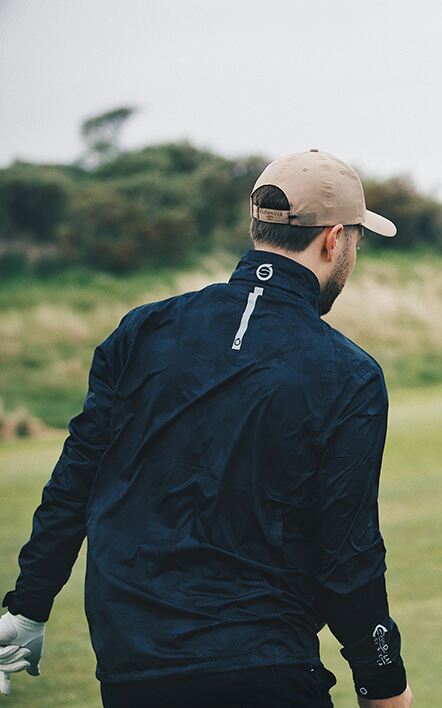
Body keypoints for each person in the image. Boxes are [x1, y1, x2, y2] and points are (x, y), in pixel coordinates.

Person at [0, 149, 413, 707]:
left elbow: (76, 479)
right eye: (356, 242)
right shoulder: (348, 373)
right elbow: (347, 554)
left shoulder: (143, 330)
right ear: (334, 240)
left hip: (131, 665)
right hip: (264, 669)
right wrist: (382, 681)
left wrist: (26, 608)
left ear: (257, 227)